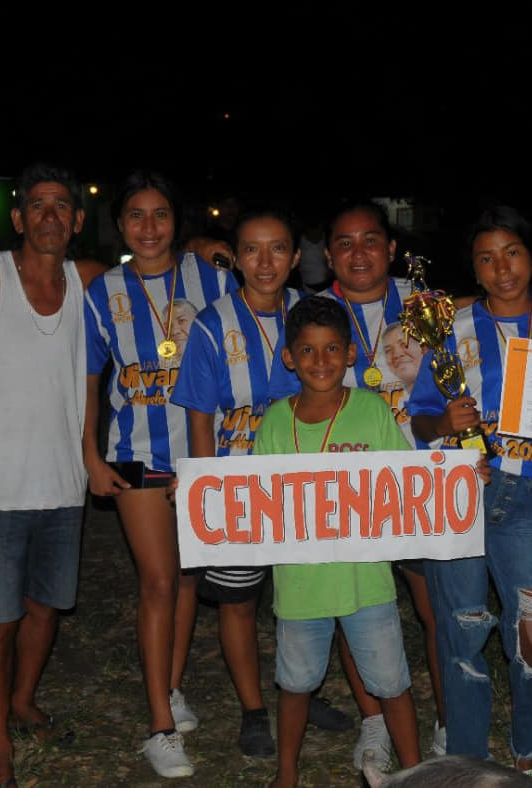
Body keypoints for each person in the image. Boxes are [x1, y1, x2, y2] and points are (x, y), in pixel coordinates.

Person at [0, 163, 105, 788]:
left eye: (62, 206)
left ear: (78, 220)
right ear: (18, 217)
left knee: (45, 608)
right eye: (38, 205)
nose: (50, 215)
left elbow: (158, 281)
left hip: (63, 481)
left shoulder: (89, 282)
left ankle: (23, 701)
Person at [270, 200, 446, 766]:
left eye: (370, 239)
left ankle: (440, 728)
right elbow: (259, 485)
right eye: (343, 242)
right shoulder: (310, 311)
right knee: (325, 648)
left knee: (427, 614)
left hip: (400, 498)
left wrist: (458, 469)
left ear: (391, 247)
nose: (358, 252)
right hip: (311, 570)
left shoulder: (423, 304)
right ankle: (371, 725)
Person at [172, 206, 351, 756]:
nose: (265, 261)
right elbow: (200, 415)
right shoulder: (212, 323)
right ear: (236, 258)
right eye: (252, 249)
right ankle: (253, 708)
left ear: (296, 257)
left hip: (305, 486)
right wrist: (206, 488)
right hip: (238, 486)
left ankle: (302, 689)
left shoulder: (313, 313)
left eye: (278, 248)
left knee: (308, 595)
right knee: (239, 601)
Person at [82, 171, 235, 778]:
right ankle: (159, 727)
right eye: (136, 216)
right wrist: (89, 454)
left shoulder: (212, 277)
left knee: (189, 579)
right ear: (120, 225)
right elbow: (89, 380)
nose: (149, 228)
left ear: (178, 221)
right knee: (158, 582)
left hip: (205, 453)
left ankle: (170, 687)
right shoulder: (103, 291)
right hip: (136, 451)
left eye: (160, 214)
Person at [409, 206, 532, 771]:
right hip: (461, 495)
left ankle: (528, 756)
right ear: (474, 269)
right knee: (462, 630)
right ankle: (467, 759)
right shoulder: (451, 330)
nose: (502, 268)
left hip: (531, 498)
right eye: (487, 258)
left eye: (512, 253)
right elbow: (420, 419)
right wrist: (443, 422)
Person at [257, 296, 421, 788]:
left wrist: (461, 477)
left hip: (366, 581)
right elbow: (252, 494)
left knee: (391, 683)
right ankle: (287, 773)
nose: (321, 360)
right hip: (299, 585)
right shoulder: (274, 421)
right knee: (295, 683)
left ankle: (415, 774)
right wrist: (196, 493)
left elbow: (410, 479)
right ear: (290, 358)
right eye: (307, 350)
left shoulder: (371, 410)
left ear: (350, 354)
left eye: (332, 348)